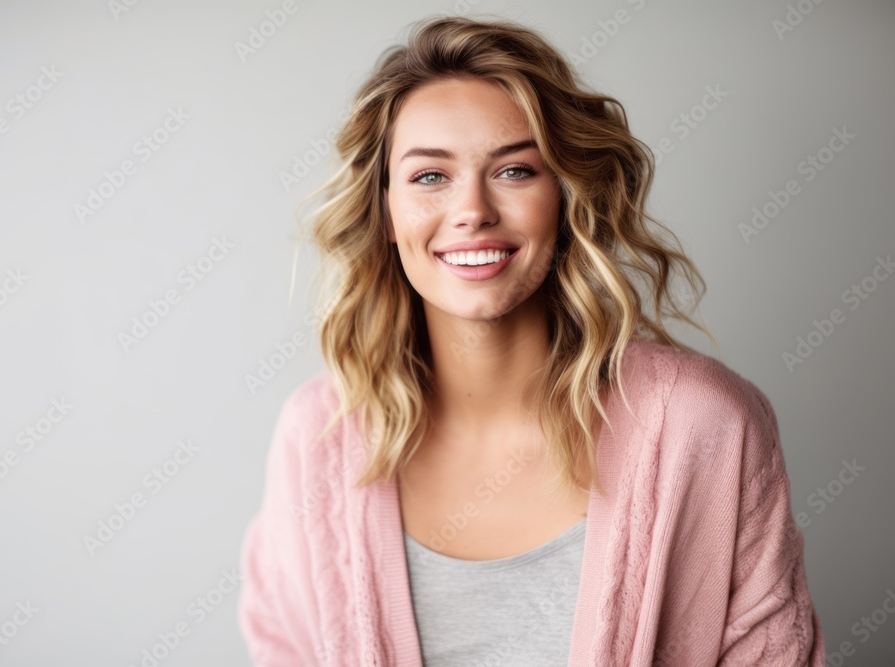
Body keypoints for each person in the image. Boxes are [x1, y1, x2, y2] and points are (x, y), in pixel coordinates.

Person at [238, 15, 825, 666]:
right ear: (385, 211)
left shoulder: (702, 423)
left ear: (566, 195)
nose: (472, 210)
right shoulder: (317, 437)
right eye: (430, 176)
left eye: (515, 171)